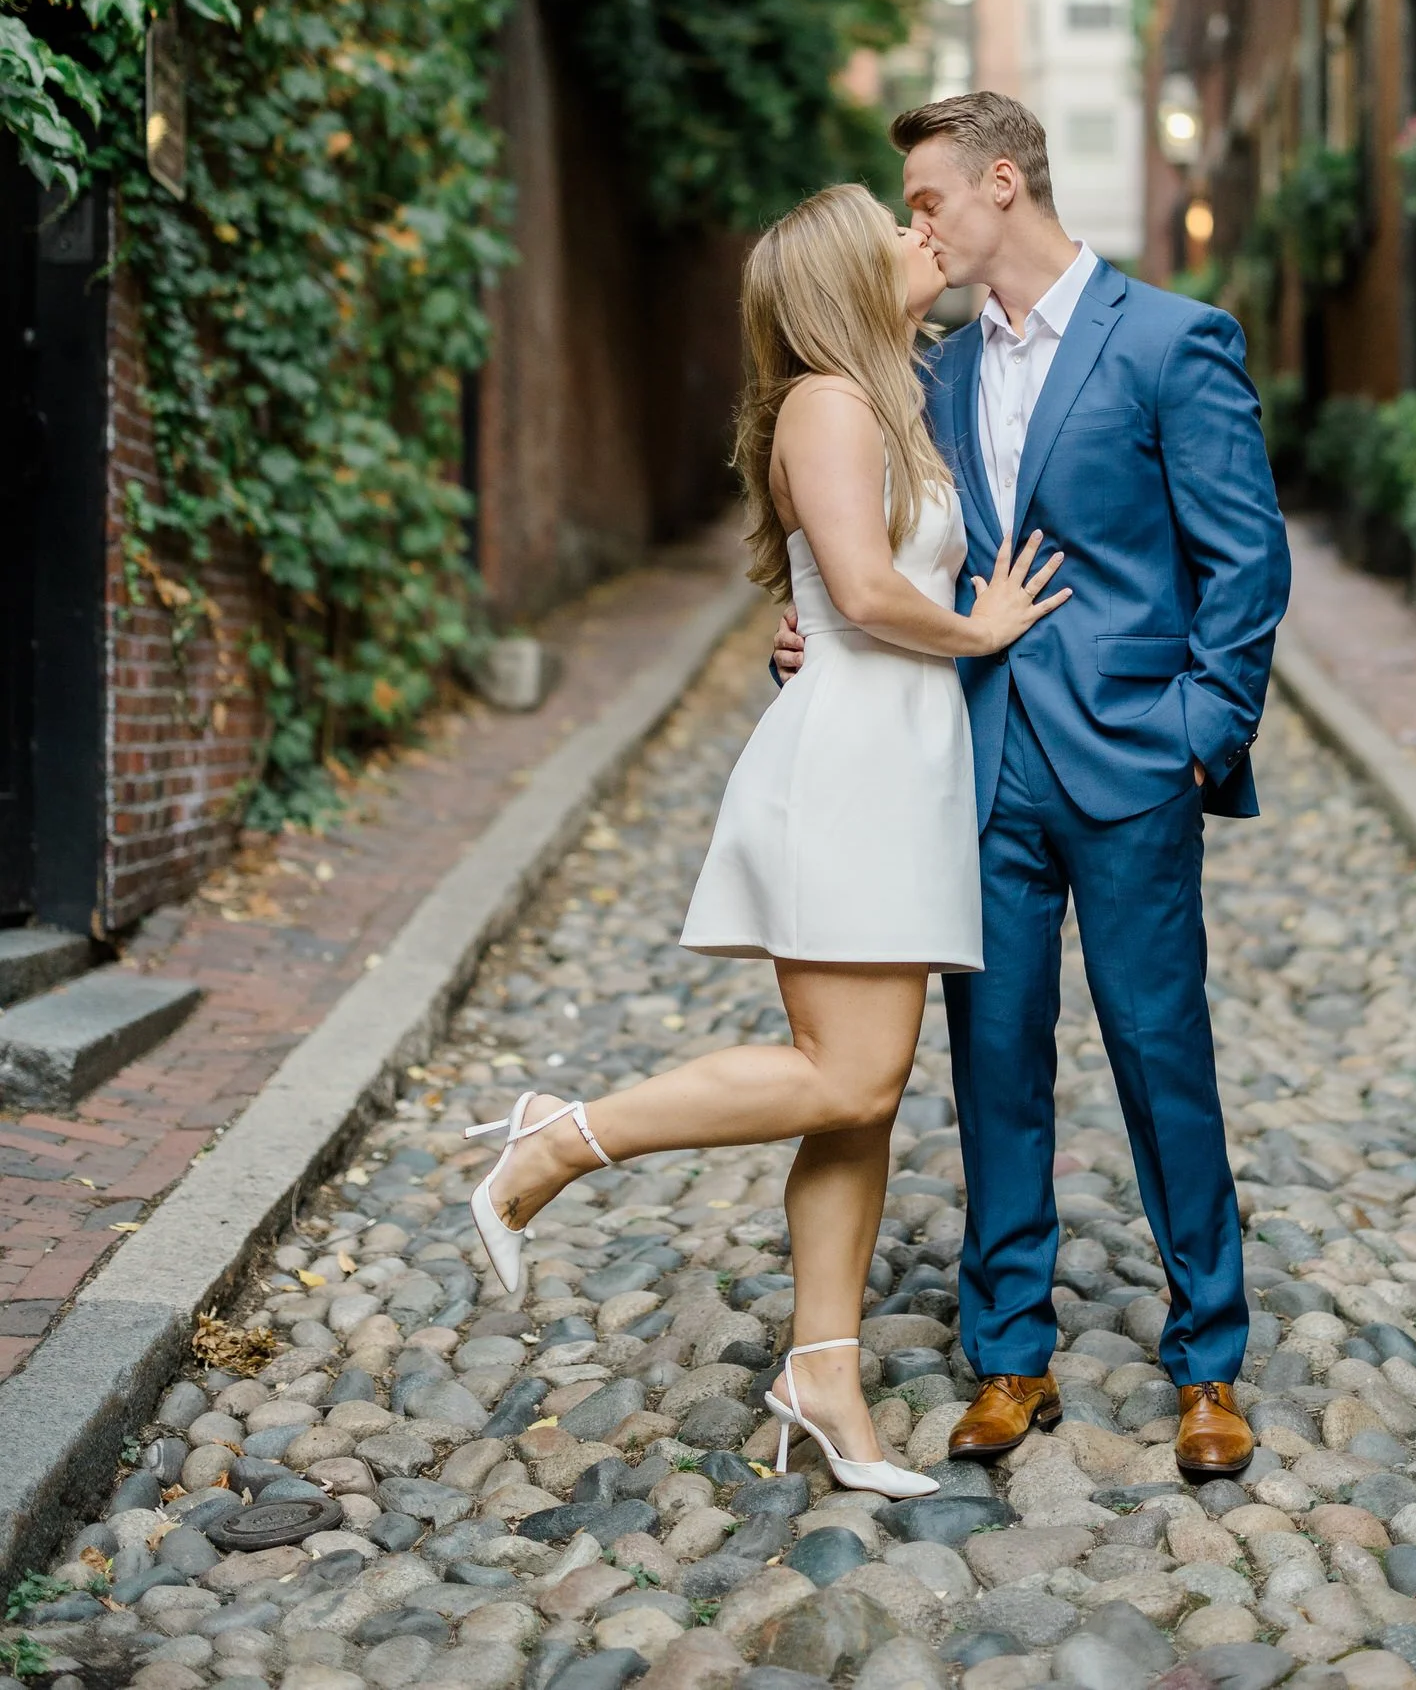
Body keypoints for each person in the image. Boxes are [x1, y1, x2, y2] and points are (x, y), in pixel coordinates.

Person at [467, 182, 1069, 1499]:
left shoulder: (881, 400)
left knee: (862, 1095)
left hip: (896, 765)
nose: (925, 238)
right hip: (852, 770)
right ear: (848, 282)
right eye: (897, 233)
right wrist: (981, 627)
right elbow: (859, 589)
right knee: (844, 1077)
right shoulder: (828, 402)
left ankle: (824, 1379)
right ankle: (560, 1136)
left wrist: (877, 618)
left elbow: (842, 594)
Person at [773, 94, 1290, 1480]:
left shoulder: (1172, 341)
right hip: (976, 766)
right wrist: (810, 626)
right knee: (991, 1064)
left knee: (1156, 1055)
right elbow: (879, 554)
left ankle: (1207, 1361)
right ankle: (1008, 1355)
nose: (915, 225)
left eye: (927, 198)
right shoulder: (923, 373)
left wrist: (1197, 729)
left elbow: (1244, 560)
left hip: (1131, 765)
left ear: (1003, 184)